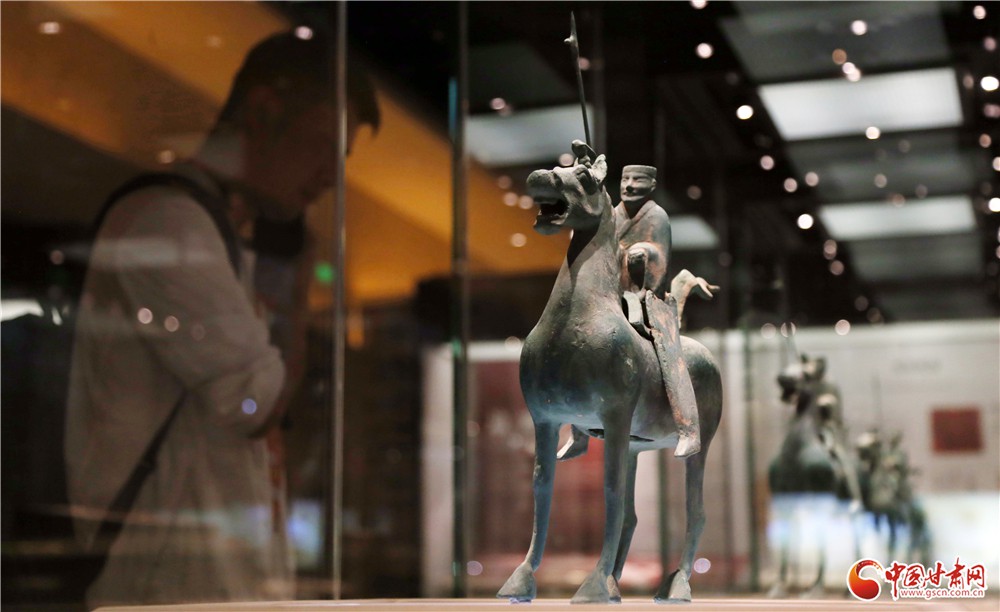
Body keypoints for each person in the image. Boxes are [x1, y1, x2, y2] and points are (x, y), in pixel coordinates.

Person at [64, 30, 379, 608]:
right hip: (170, 584)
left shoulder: (204, 227)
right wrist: (298, 282)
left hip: (193, 579)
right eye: (325, 147)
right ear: (264, 109)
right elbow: (256, 400)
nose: (332, 175)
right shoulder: (169, 222)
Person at [558, 144, 701, 460]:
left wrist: (645, 253)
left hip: (646, 298)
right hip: (610, 293)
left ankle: (688, 428)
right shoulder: (613, 213)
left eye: (637, 181)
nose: (629, 186)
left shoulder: (657, 216)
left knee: (670, 354)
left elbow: (661, 258)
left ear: (652, 185)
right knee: (580, 345)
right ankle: (578, 432)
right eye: (625, 180)